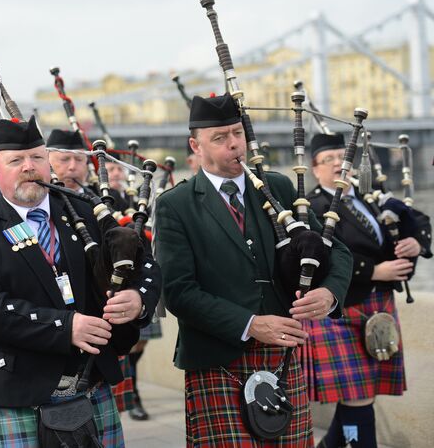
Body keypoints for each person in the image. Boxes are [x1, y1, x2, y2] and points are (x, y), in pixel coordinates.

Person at [0, 116, 160, 446]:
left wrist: (138, 299)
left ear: (49, 161)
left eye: (37, 157)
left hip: (90, 378)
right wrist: (65, 327)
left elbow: (143, 262)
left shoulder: (88, 212)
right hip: (16, 386)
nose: (28, 167)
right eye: (16, 160)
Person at [154, 94, 353, 446]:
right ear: (195, 145)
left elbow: (334, 248)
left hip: (283, 354)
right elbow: (179, 292)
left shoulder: (277, 187)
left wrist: (330, 292)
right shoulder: (175, 205)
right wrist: (251, 325)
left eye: (237, 133)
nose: (234, 145)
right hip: (217, 360)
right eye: (219, 138)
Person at [305, 133, 431, 448]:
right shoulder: (311, 207)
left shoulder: (372, 196)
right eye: (329, 159)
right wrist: (373, 270)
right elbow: (321, 254)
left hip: (379, 307)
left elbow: (417, 219)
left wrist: (418, 243)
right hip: (342, 307)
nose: (338, 164)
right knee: (358, 394)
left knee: (360, 394)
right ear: (314, 168)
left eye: (342, 157)